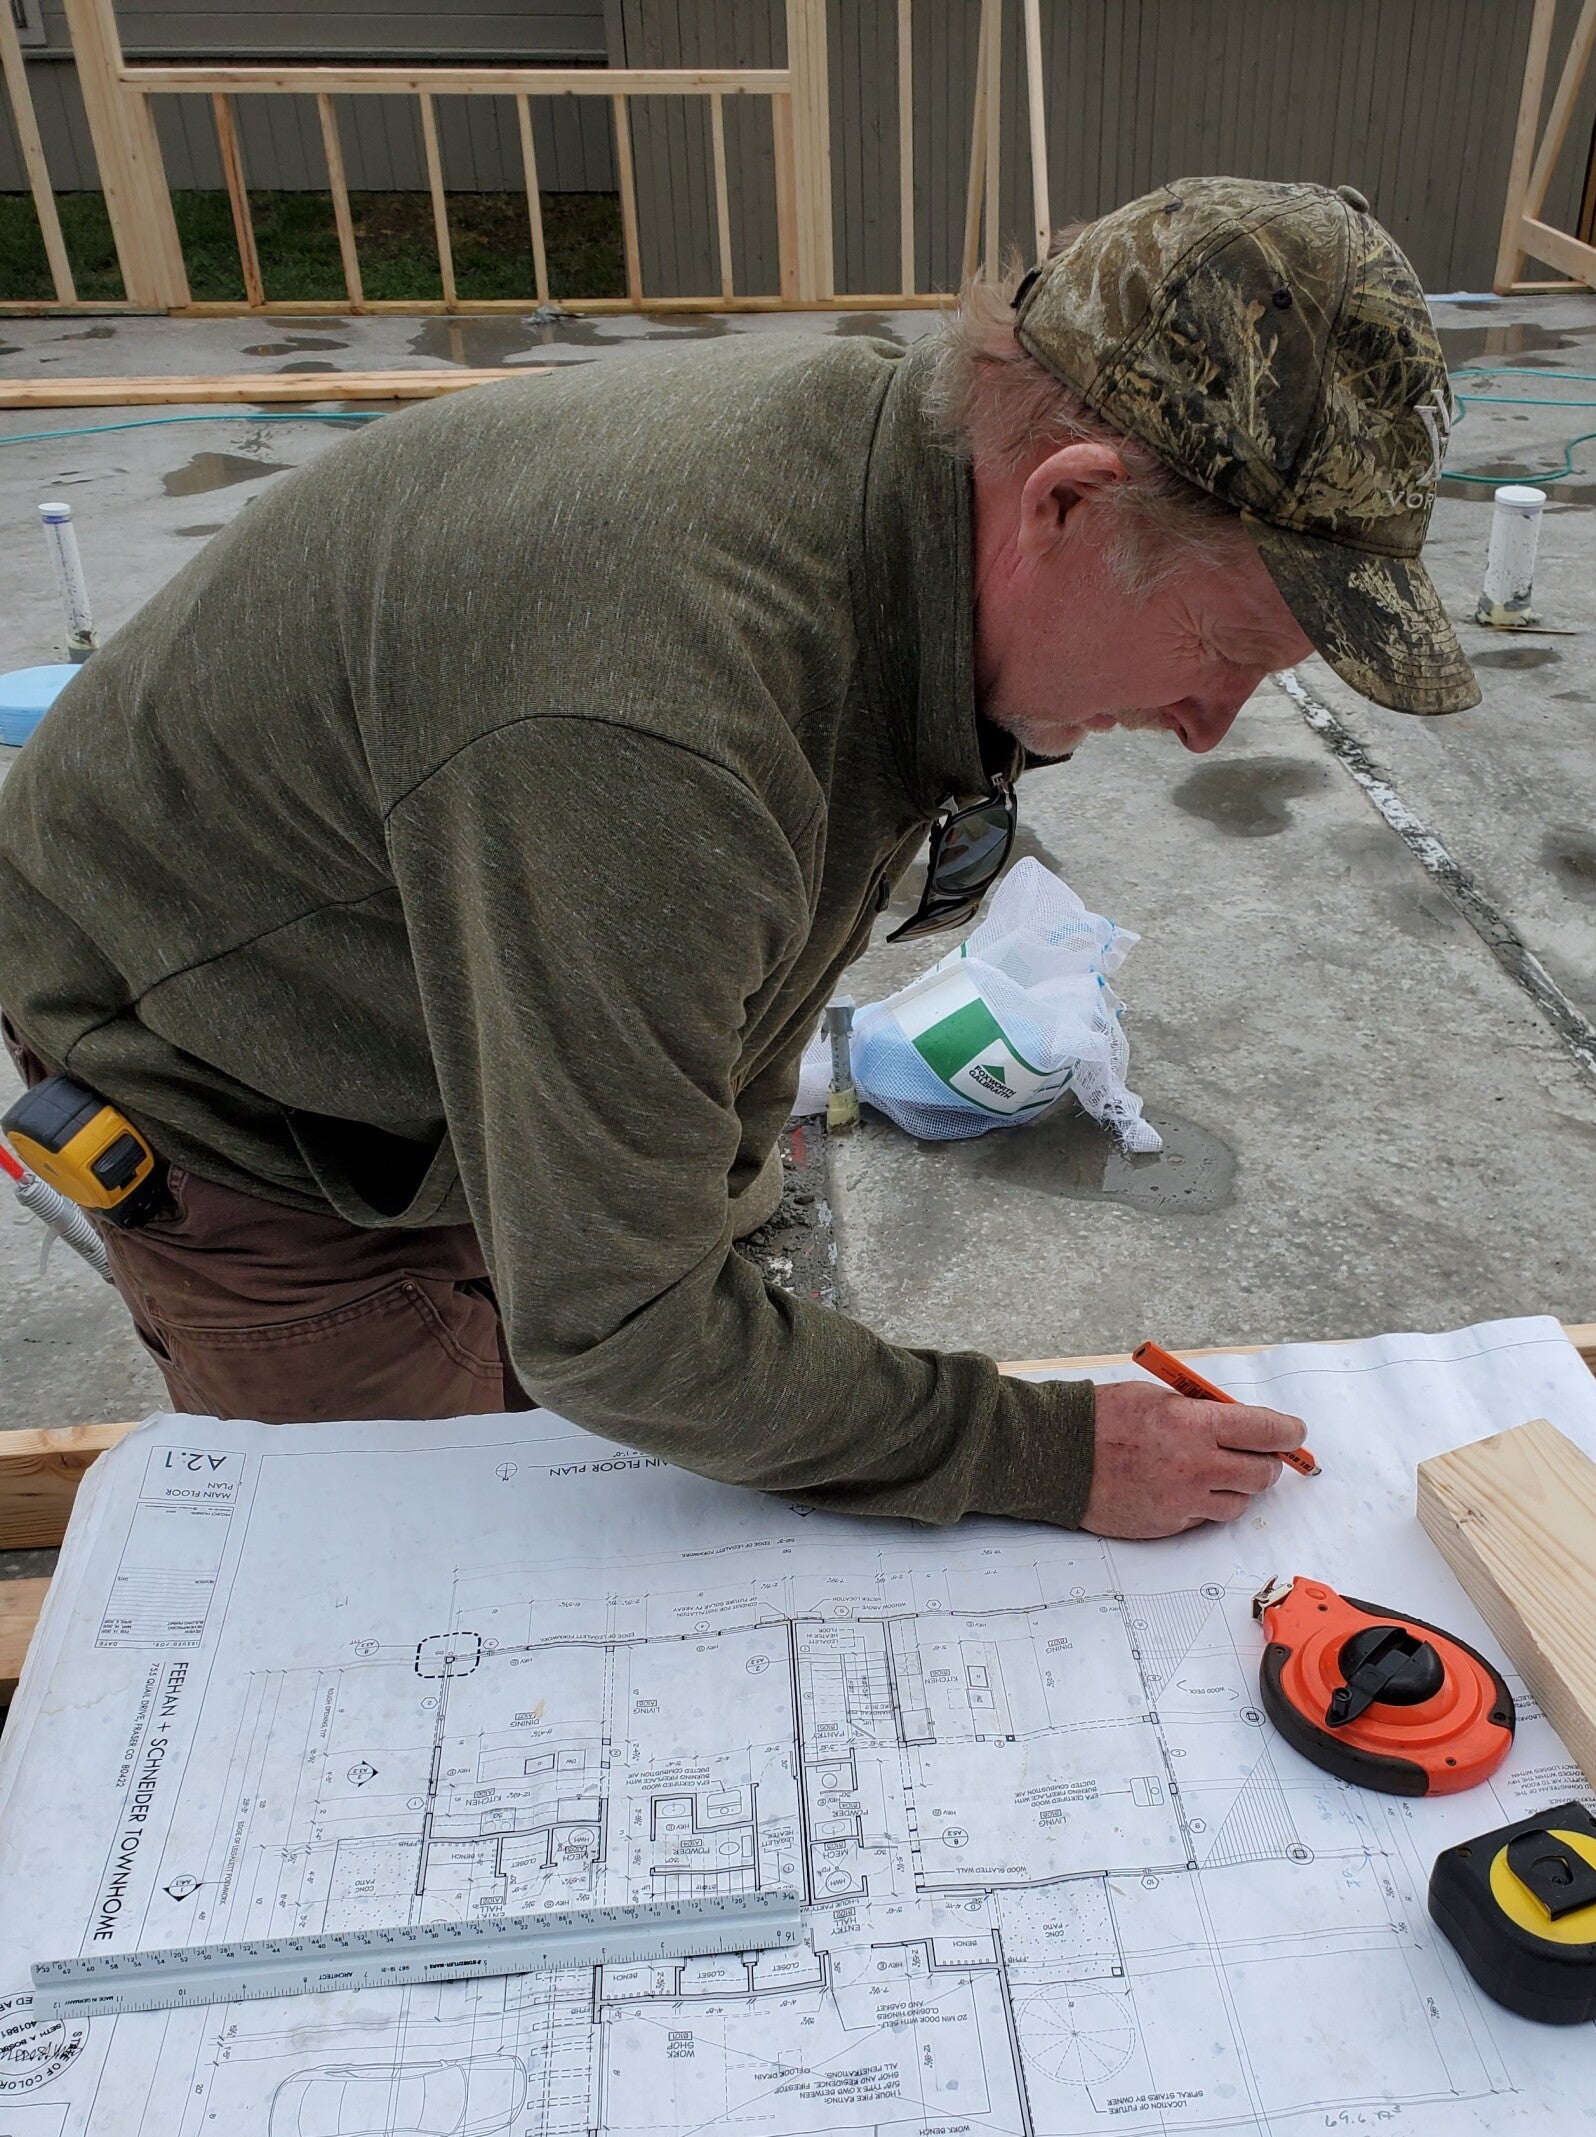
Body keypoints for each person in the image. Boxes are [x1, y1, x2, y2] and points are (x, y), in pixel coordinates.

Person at [0, 177, 1476, 1540]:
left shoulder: (905, 486)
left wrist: (669, 1215)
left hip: (471, 900)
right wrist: (1044, 1452)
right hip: (246, 1081)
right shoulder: (653, 725)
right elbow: (619, 1331)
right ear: (1067, 501)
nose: (1212, 727)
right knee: (434, 1584)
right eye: (1221, 647)